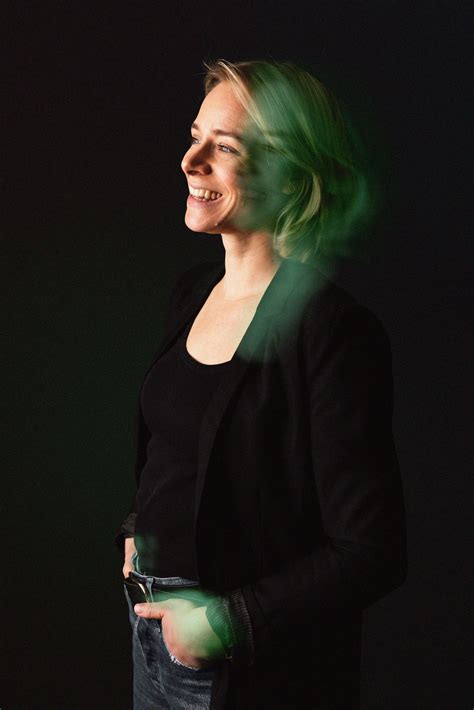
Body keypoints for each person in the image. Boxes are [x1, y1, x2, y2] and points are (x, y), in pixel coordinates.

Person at [114, 59, 407, 710]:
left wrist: (229, 623)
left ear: (291, 174)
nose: (190, 161)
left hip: (237, 665)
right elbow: (179, 450)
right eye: (195, 137)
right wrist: (139, 530)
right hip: (150, 630)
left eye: (225, 148)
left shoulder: (334, 331)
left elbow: (372, 551)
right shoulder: (193, 293)